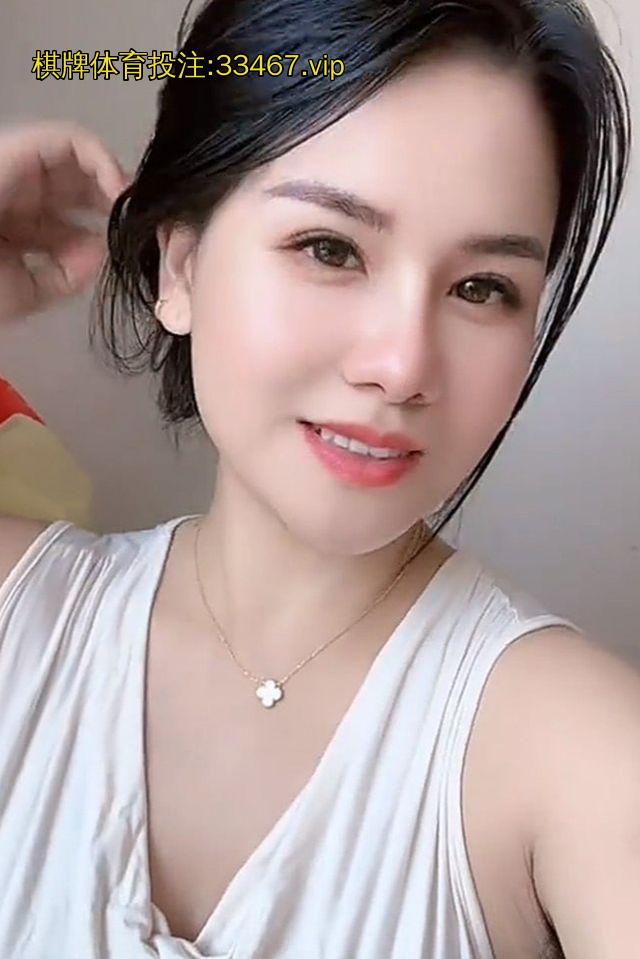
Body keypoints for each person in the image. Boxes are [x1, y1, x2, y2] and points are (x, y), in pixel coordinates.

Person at [0, 0, 637, 957]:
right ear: (180, 268)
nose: (402, 365)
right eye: (330, 248)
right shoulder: (22, 616)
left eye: (482, 288)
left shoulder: (579, 751)